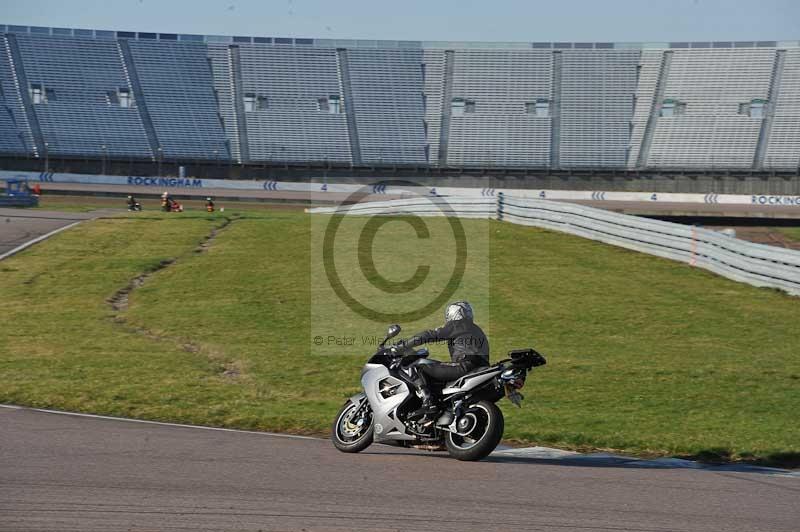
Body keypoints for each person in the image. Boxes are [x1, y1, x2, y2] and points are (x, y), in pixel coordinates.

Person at [398, 301, 489, 420]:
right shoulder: (477, 330)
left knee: (417, 366)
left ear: (453, 314)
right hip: (480, 368)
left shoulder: (458, 324)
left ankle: (428, 401)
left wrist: (405, 345)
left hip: (465, 366)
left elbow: (431, 334)